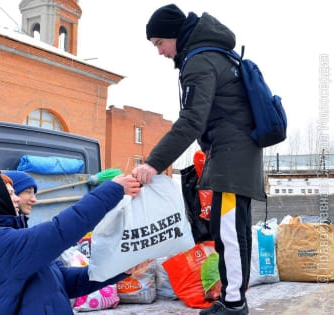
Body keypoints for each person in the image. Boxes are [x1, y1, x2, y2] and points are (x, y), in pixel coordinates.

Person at [133, 4, 266, 315]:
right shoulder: (213, 54)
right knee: (231, 231)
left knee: (230, 233)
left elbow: (191, 120)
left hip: (232, 156)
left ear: (172, 36)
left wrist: (153, 163)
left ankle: (233, 304)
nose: (160, 52)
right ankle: (232, 299)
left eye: (159, 44)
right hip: (234, 154)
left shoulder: (200, 61)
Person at [0, 166, 144, 314]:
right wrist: (113, 190)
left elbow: (68, 283)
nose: (18, 199)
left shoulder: (15, 241)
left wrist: (119, 270)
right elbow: (61, 230)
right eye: (11, 194)